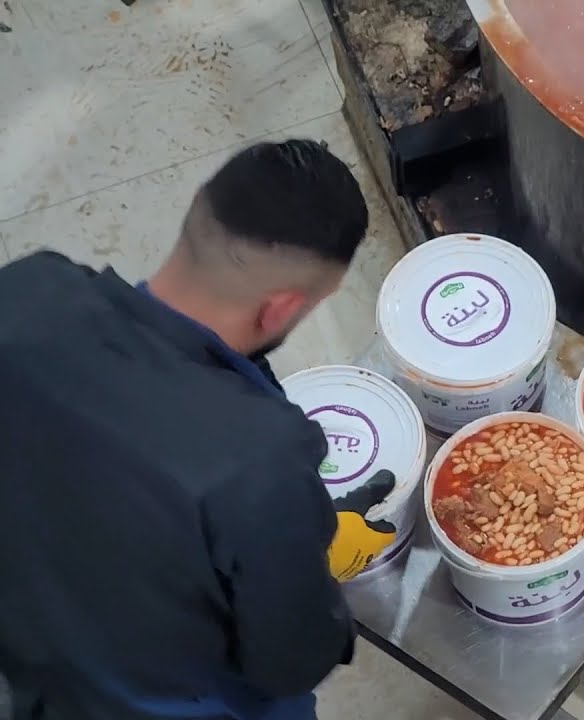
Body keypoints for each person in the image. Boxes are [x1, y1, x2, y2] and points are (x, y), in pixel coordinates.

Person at [0, 139, 390, 719]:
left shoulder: (25, 289)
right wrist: (308, 570)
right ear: (281, 309)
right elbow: (290, 663)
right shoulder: (259, 460)